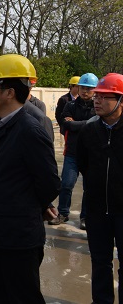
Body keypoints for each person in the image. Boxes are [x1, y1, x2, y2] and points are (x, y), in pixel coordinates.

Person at [0, 54, 60, 303]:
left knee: (22, 296)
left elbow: (50, 182)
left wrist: (31, 207)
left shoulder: (30, 129)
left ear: (9, 92)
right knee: (1, 295)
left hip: (18, 236)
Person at [77, 73, 123, 304]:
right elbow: (83, 164)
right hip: (96, 210)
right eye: (97, 96)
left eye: (105, 97)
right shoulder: (89, 130)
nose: (97, 101)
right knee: (100, 261)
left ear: (121, 101)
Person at [50, 72, 97, 229]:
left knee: (89, 188)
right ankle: (63, 213)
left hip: (91, 154)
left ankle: (85, 217)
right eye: (83, 88)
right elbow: (66, 124)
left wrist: (76, 123)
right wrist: (86, 123)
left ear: (95, 90)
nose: (85, 91)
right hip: (72, 153)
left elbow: (95, 125)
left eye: (89, 89)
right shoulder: (70, 105)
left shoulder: (97, 107)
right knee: (66, 184)